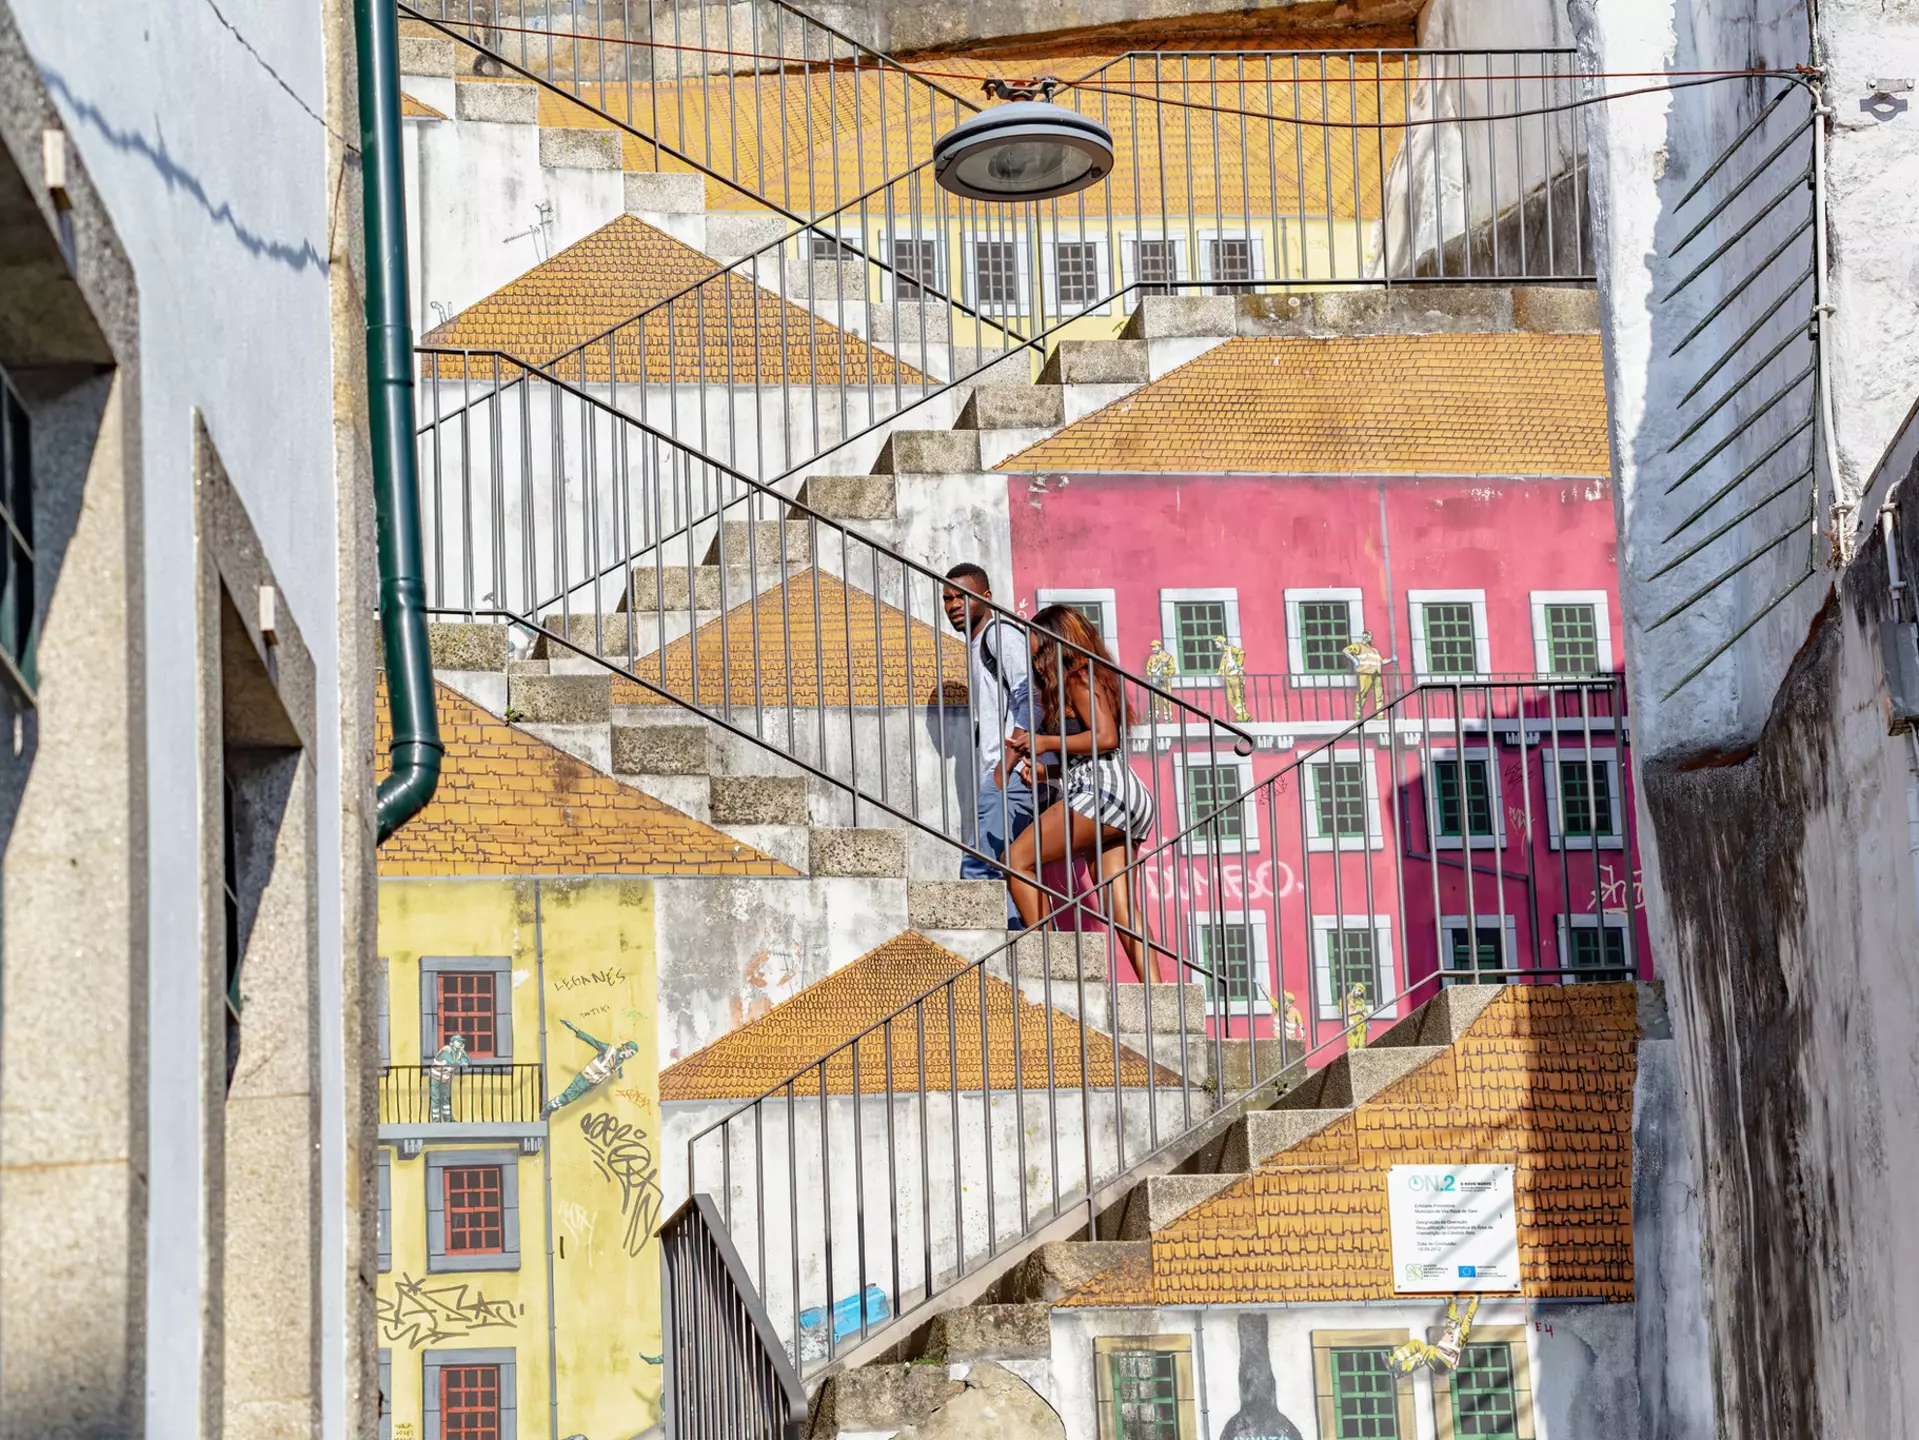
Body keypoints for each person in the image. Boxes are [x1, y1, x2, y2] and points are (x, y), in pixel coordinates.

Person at [1002, 605, 1156, 978]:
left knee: (1017, 860)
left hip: (1102, 795)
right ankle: (1157, 995)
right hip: (1121, 795)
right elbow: (1093, 752)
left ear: (1056, 643)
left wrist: (1044, 740)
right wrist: (1047, 770)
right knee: (1119, 905)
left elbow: (1105, 738)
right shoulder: (1087, 679)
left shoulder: (1079, 677)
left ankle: (1055, 973)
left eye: (1036, 648)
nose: (1033, 659)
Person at [941, 562, 1039, 926]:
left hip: (1009, 775)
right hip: (1003, 774)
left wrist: (1011, 761)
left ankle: (994, 959)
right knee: (1004, 874)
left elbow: (1030, 694)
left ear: (985, 598)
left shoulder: (1000, 635)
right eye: (947, 599)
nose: (953, 605)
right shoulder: (981, 642)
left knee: (979, 871)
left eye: (961, 597)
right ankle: (1018, 956)